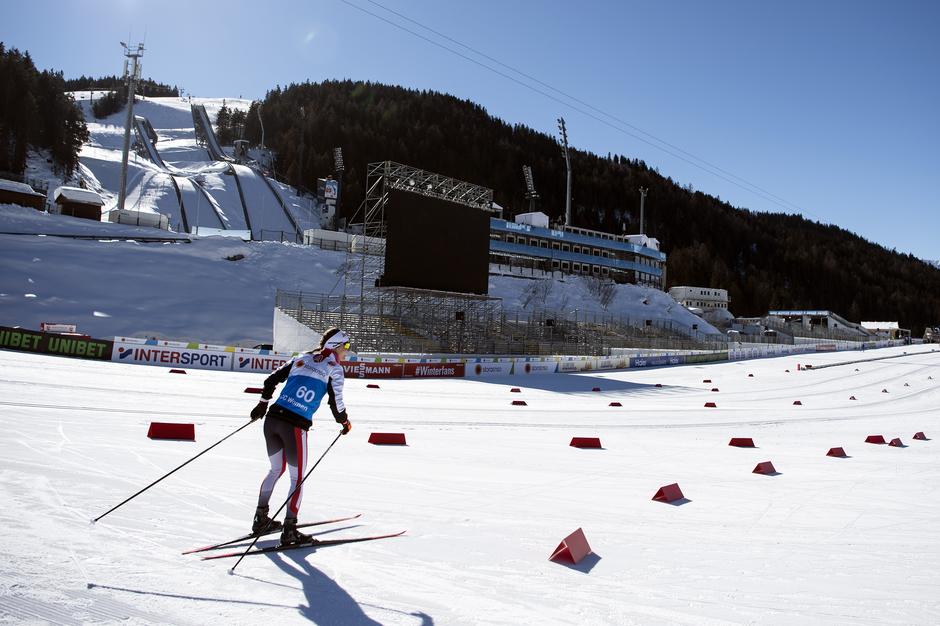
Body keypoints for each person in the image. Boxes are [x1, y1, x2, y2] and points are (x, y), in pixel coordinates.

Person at [249, 327, 353, 546]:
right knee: (297, 480)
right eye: (346, 346)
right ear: (335, 346)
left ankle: (260, 519)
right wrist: (344, 422)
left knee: (275, 470)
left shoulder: (302, 358)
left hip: (272, 421)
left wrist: (262, 403)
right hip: (294, 427)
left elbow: (271, 381)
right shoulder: (334, 368)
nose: (347, 352)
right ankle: (290, 531)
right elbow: (336, 403)